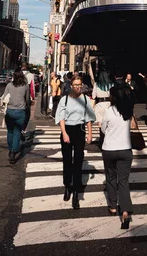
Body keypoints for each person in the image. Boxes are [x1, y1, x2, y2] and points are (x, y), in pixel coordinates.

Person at [56, 74, 96, 209]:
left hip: (80, 130)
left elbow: (89, 118)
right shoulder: (65, 99)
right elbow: (61, 117)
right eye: (75, 85)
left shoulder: (85, 99)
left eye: (80, 85)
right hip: (67, 130)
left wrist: (90, 134)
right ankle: (67, 186)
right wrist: (64, 133)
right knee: (67, 160)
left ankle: (76, 193)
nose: (78, 87)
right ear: (71, 86)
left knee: (78, 160)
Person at [101, 83, 134, 228]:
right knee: (124, 181)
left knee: (111, 177)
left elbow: (103, 129)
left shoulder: (109, 111)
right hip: (125, 149)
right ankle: (125, 210)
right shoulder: (128, 111)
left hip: (109, 149)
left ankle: (113, 206)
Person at [2, 68, 30, 164]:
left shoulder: (9, 85)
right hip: (20, 111)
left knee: (10, 131)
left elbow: (5, 97)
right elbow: (27, 99)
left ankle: (11, 150)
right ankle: (14, 151)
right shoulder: (25, 86)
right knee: (17, 132)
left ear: (13, 76)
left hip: (10, 111)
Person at [92, 69, 113, 147]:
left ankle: (102, 141)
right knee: (109, 123)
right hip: (109, 104)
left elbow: (94, 96)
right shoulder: (111, 84)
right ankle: (109, 140)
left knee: (100, 123)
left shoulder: (96, 84)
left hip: (100, 104)